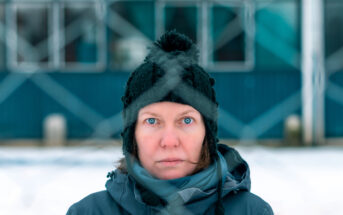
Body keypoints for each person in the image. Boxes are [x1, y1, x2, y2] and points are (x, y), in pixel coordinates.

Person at [66, 30, 273, 215]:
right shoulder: (90, 211)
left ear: (207, 134)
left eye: (186, 120)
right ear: (132, 135)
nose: (169, 141)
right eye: (152, 121)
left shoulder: (251, 211)